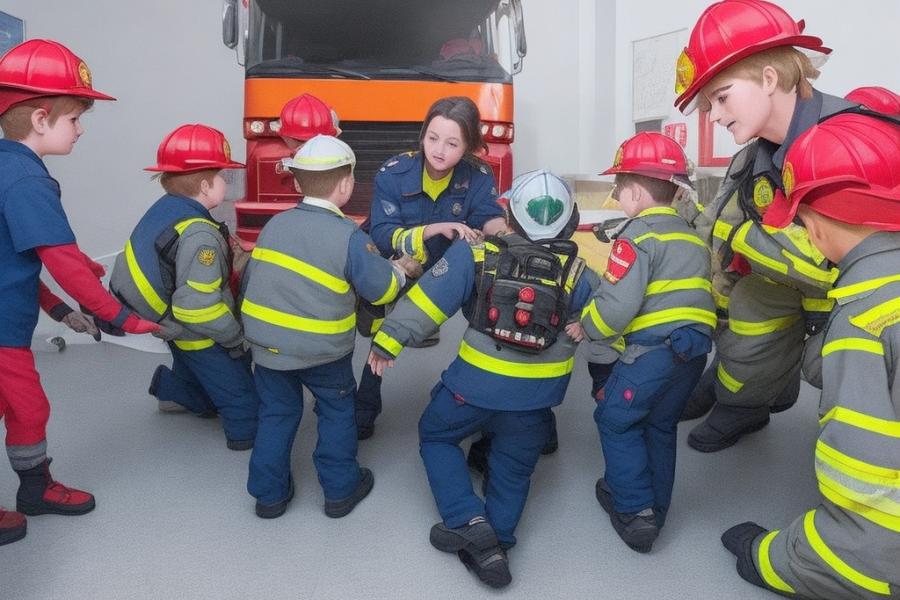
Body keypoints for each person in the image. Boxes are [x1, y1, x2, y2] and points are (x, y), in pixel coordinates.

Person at [368, 170, 597, 588]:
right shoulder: (580, 274)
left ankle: (467, 522)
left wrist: (388, 341)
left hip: (470, 390)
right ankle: (499, 543)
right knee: (512, 470)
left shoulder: (475, 254)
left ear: (508, 216)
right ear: (571, 221)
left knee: (436, 437)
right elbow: (606, 319)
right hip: (535, 402)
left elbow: (426, 303)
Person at [672, 0, 869, 452]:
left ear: (768, 78)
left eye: (720, 98)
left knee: (842, 370)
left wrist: (743, 239)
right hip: (786, 290)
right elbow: (719, 224)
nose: (715, 116)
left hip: (856, 305)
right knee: (749, 307)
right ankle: (744, 400)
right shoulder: (753, 154)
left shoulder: (845, 140)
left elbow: (834, 259)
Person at [721, 113, 900, 599]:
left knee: (764, 558)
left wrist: (783, 555)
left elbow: (862, 478)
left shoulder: (863, 321)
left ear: (815, 228)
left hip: (872, 560)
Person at [0, 39, 159, 545]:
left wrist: (58, 308)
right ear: (41, 119)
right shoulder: (26, 179)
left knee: (26, 407)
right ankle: (36, 489)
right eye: (75, 117)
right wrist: (122, 320)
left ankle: (33, 489)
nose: (81, 128)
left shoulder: (8, 168)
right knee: (26, 406)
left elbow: (16, 260)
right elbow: (62, 261)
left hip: (9, 323)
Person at [240, 135, 406, 519]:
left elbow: (253, 280)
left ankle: (268, 497)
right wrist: (400, 270)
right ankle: (340, 491)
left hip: (267, 349)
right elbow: (380, 291)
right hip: (324, 353)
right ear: (346, 185)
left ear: (297, 183)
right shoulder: (348, 236)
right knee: (335, 412)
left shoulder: (274, 226)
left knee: (276, 415)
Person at [580, 133, 715, 553]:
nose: (619, 198)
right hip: (693, 353)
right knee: (659, 425)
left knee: (615, 419)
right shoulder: (693, 238)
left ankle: (636, 512)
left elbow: (617, 305)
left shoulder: (636, 237)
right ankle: (657, 505)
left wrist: (589, 325)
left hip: (652, 352)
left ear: (635, 192)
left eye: (619, 190)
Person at [355, 96, 507, 440]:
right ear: (423, 135)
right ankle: (364, 407)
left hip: (452, 273)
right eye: (433, 138)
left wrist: (510, 233)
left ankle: (501, 413)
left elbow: (489, 216)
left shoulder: (479, 176)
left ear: (468, 146)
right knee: (382, 331)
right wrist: (434, 230)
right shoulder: (393, 173)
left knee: (491, 322)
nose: (439, 150)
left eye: (453, 143)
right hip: (398, 266)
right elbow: (380, 235)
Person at [109, 124, 259, 450]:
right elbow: (197, 307)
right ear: (206, 186)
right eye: (223, 176)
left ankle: (174, 389)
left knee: (199, 370)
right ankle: (244, 437)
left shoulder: (167, 208)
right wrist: (236, 339)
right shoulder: (200, 233)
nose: (227, 182)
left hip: (163, 318)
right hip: (191, 328)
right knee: (246, 403)